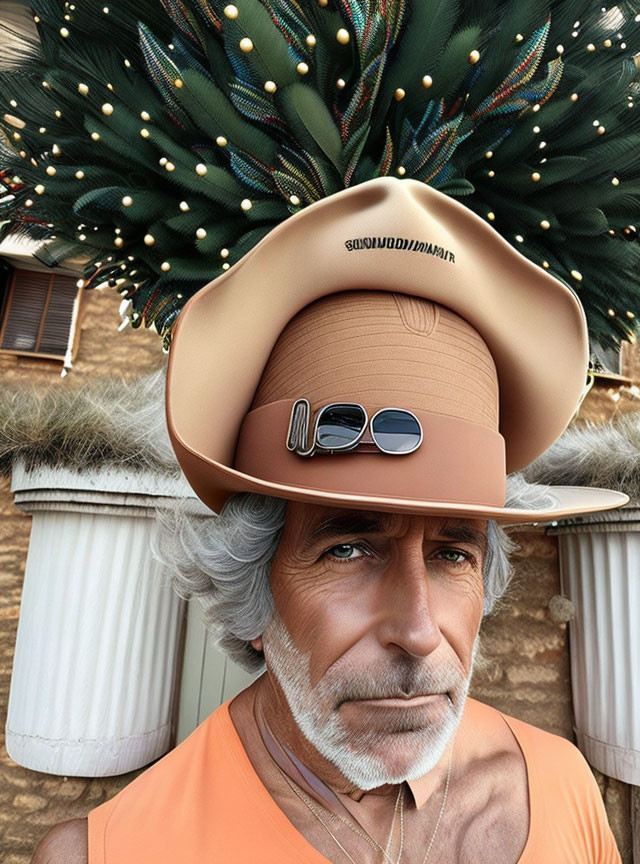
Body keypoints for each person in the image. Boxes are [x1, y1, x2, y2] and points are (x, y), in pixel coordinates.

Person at [32, 179, 626, 863]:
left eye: (452, 554)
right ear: (252, 595)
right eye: (348, 548)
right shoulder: (108, 853)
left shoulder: (564, 788)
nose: (418, 632)